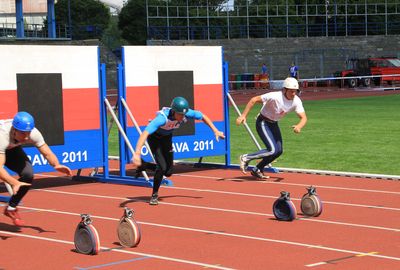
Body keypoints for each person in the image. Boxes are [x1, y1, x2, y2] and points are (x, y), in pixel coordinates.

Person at [133, 97, 225, 205]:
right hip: (155, 139)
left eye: (184, 115)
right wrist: (137, 153)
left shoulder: (186, 112)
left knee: (168, 172)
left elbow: (202, 116)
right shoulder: (161, 119)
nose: (182, 118)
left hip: (166, 138)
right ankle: (154, 195)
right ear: (174, 111)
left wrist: (215, 130)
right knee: (162, 167)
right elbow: (145, 133)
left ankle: (143, 165)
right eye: (180, 115)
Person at [0, 112, 72, 226]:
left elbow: (46, 152)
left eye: (28, 133)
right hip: (2, 147)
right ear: (14, 130)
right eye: (23, 134)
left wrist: (56, 164)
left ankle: (11, 208)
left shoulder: (33, 132)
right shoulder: (2, 135)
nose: (27, 137)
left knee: (28, 174)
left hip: (11, 149)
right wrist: (13, 182)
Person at [236, 77, 307, 179]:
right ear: (285, 90)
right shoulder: (275, 96)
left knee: (279, 151)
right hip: (263, 122)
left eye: (295, 91)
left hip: (274, 124)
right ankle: (246, 157)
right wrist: (243, 116)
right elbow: (254, 99)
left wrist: (299, 126)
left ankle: (257, 169)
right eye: (291, 91)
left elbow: (303, 117)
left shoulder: (296, 101)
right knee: (272, 150)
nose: (293, 94)